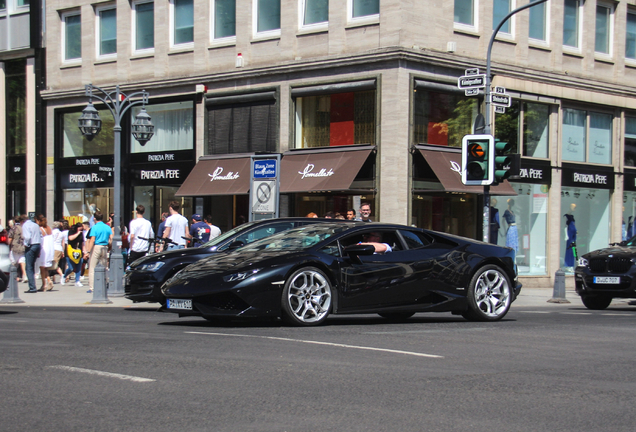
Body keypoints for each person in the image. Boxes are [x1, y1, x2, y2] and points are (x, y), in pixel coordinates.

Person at [85, 211, 113, 293]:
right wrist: (109, 247)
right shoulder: (107, 227)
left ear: (94, 218)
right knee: (105, 267)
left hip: (96, 247)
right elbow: (111, 239)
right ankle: (105, 283)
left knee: (92, 268)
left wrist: (88, 251)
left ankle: (92, 288)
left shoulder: (94, 227)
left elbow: (92, 240)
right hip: (105, 247)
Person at [22, 215, 42, 293]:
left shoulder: (25, 225)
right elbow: (40, 236)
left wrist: (26, 244)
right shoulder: (35, 225)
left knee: (29, 267)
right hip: (37, 244)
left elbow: (27, 237)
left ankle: (32, 287)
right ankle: (33, 285)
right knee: (32, 266)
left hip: (31, 245)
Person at [63, 223, 86, 287]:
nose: (81, 230)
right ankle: (64, 276)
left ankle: (77, 281)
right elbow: (70, 238)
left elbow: (83, 243)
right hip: (70, 252)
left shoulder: (82, 234)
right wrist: (77, 233)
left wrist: (85, 252)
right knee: (71, 268)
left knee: (79, 267)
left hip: (79, 252)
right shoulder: (71, 232)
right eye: (79, 228)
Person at [37, 215, 55, 291]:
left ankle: (44, 284)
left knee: (42, 268)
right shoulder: (49, 228)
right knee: (45, 267)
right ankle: (48, 280)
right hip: (49, 249)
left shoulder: (40, 229)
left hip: (43, 249)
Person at [8, 215, 27, 282]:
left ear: (14, 221)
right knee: (22, 261)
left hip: (15, 247)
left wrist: (8, 244)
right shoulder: (23, 227)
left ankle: (15, 276)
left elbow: (10, 238)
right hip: (22, 246)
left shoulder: (13, 228)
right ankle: (24, 275)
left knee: (13, 262)